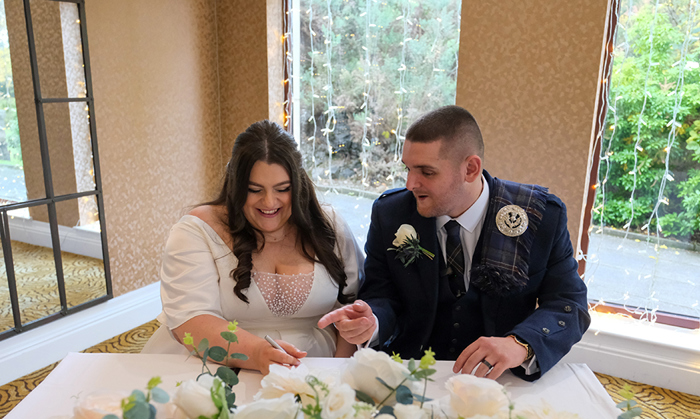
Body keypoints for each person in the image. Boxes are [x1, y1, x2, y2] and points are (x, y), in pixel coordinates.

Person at [319, 105, 590, 381]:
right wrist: (372, 321)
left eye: (427, 172)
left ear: (470, 169)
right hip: (408, 374)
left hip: (500, 380)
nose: (411, 183)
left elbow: (569, 303)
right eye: (408, 169)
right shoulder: (391, 214)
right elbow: (381, 294)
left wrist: (520, 344)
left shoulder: (539, 216)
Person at [143, 120, 364, 373]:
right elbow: (190, 320)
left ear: (299, 184)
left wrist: (337, 371)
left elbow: (352, 308)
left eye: (282, 189)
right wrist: (257, 353)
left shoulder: (330, 224)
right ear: (236, 185)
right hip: (215, 364)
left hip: (315, 366)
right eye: (254, 190)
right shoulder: (196, 230)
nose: (269, 202)